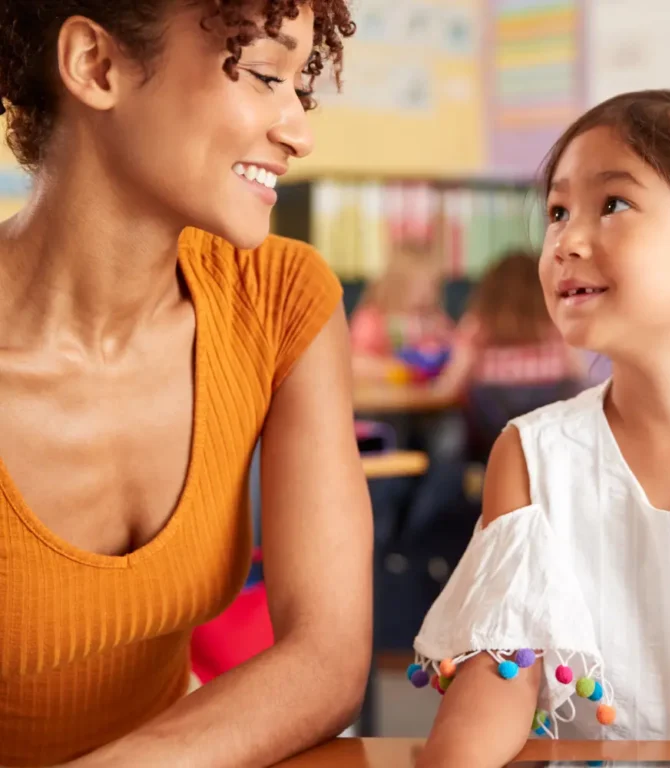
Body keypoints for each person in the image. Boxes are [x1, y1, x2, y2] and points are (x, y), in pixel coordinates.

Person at [0, 2, 373, 767]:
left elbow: (326, 657)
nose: (299, 131)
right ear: (96, 67)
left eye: (298, 85)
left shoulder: (278, 299)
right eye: (265, 74)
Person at [410, 89, 670, 768]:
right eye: (556, 212)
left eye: (612, 205)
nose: (566, 241)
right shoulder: (533, 453)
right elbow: (497, 686)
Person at [434, 251, 584, 459]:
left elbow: (450, 386)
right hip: (550, 446)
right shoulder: (557, 324)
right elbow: (580, 378)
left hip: (491, 444)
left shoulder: (478, 326)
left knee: (446, 433)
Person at [349, 240, 453, 383]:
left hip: (426, 401)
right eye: (419, 285)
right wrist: (402, 371)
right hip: (384, 399)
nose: (428, 294)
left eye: (433, 286)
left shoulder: (436, 319)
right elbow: (354, 363)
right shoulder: (372, 319)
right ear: (396, 284)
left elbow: (453, 352)